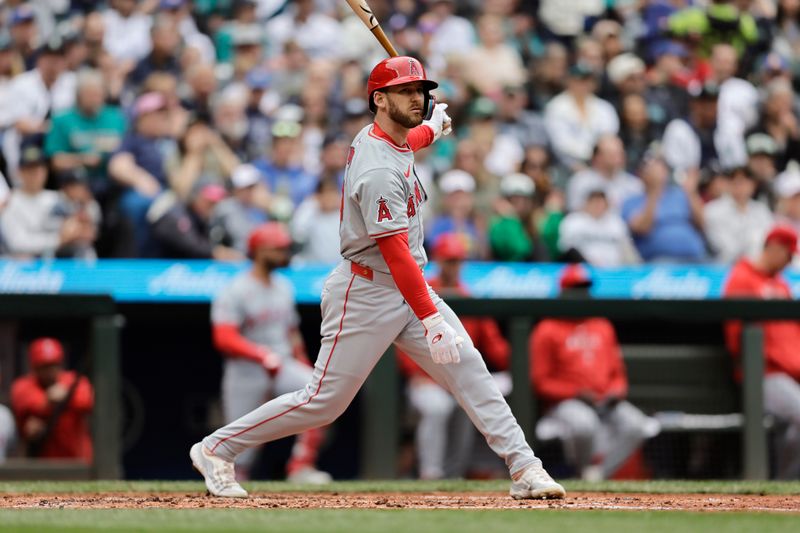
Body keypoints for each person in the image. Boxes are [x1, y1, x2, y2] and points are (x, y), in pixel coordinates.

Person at [190, 55, 565, 500]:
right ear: (379, 100)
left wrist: (433, 128)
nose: (418, 98)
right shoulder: (377, 171)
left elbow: (404, 143)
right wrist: (430, 317)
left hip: (405, 286)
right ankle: (216, 447)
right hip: (367, 290)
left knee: (471, 370)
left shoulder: (390, 138)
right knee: (323, 402)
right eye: (405, 92)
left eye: (420, 91)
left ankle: (525, 467)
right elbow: (397, 252)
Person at [209, 223, 332, 483]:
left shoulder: (283, 286)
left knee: (323, 395)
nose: (284, 254)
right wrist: (261, 355)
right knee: (240, 443)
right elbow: (224, 337)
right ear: (260, 251)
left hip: (283, 364)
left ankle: (300, 467)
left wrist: (305, 364)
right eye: (278, 249)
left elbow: (292, 333)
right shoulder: (235, 289)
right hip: (246, 370)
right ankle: (233, 481)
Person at [397, 233, 511, 479]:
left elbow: (495, 348)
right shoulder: (423, 292)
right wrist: (422, 375)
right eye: (449, 260)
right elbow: (403, 344)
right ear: (438, 260)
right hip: (428, 380)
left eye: (458, 261)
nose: (454, 266)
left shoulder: (469, 297)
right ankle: (431, 473)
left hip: (458, 378)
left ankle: (454, 474)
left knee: (472, 402)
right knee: (437, 406)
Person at [530, 264, 660, 481]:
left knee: (636, 425)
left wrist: (615, 392)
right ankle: (584, 470)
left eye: (584, 288)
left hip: (604, 401)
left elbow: (618, 373)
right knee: (585, 424)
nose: (581, 294)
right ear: (563, 292)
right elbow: (540, 382)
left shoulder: (602, 325)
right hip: (565, 404)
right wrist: (574, 393)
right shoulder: (547, 328)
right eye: (575, 288)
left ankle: (595, 475)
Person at [723, 226, 800, 478]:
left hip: (791, 376)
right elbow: (736, 339)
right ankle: (787, 486)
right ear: (774, 247)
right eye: (788, 255)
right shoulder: (742, 277)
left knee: (793, 428)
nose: (789, 262)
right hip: (764, 375)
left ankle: (787, 484)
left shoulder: (782, 284)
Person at [10, 338, 93, 461]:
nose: (50, 371)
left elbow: (87, 402)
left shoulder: (75, 381)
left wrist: (67, 397)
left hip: (77, 460)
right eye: (44, 366)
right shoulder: (23, 385)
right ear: (35, 367)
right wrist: (47, 402)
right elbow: (26, 403)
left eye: (54, 365)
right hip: (40, 461)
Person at [0, 145, 89, 258]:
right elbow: (17, 243)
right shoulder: (10, 201)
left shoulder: (57, 198)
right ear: (20, 172)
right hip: (23, 270)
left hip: (61, 263)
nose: (35, 174)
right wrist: (58, 240)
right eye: (30, 169)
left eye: (39, 168)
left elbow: (83, 230)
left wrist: (78, 228)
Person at [621, 147, 707, 262]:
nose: (659, 171)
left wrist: (691, 192)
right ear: (642, 174)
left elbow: (702, 223)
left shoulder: (680, 194)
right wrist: (654, 192)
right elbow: (642, 228)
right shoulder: (631, 201)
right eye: (653, 167)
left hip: (696, 258)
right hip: (659, 261)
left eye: (662, 167)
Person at [148, 182, 242, 260]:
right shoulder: (176, 214)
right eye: (209, 202)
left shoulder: (208, 219)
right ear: (196, 197)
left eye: (215, 203)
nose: (212, 207)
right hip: (157, 269)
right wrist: (216, 252)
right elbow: (190, 245)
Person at [704, 167, 773, 263]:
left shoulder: (761, 210)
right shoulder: (713, 210)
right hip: (724, 266)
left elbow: (770, 240)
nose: (740, 187)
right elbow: (724, 248)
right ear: (728, 183)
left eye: (745, 183)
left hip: (759, 266)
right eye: (736, 182)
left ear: (753, 185)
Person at [559, 190, 640, 267]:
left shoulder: (616, 222)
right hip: (582, 271)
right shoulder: (573, 221)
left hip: (613, 272)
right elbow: (566, 249)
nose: (597, 206)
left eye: (600, 202)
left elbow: (627, 249)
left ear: (607, 205)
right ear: (587, 203)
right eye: (594, 202)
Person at [566, 135, 644, 213]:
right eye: (611, 154)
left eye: (620, 153)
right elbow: (574, 214)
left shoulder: (634, 184)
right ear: (597, 157)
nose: (618, 158)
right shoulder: (580, 181)